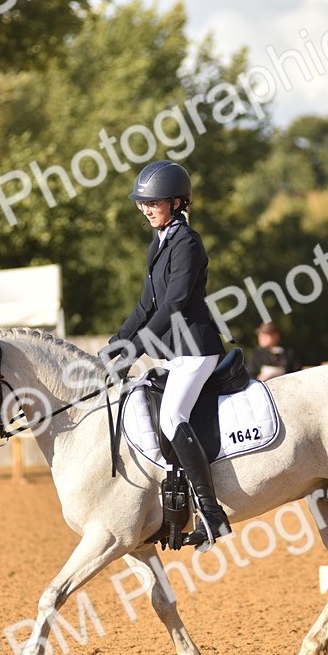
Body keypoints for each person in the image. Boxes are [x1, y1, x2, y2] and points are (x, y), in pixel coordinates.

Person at [105, 160, 231, 548]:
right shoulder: (158, 243)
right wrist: (116, 343)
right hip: (175, 353)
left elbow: (174, 304)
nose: (146, 209)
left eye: (153, 202)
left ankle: (212, 515)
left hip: (196, 349)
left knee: (172, 416)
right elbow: (147, 305)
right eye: (143, 203)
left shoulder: (187, 242)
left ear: (177, 202)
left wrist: (135, 349)